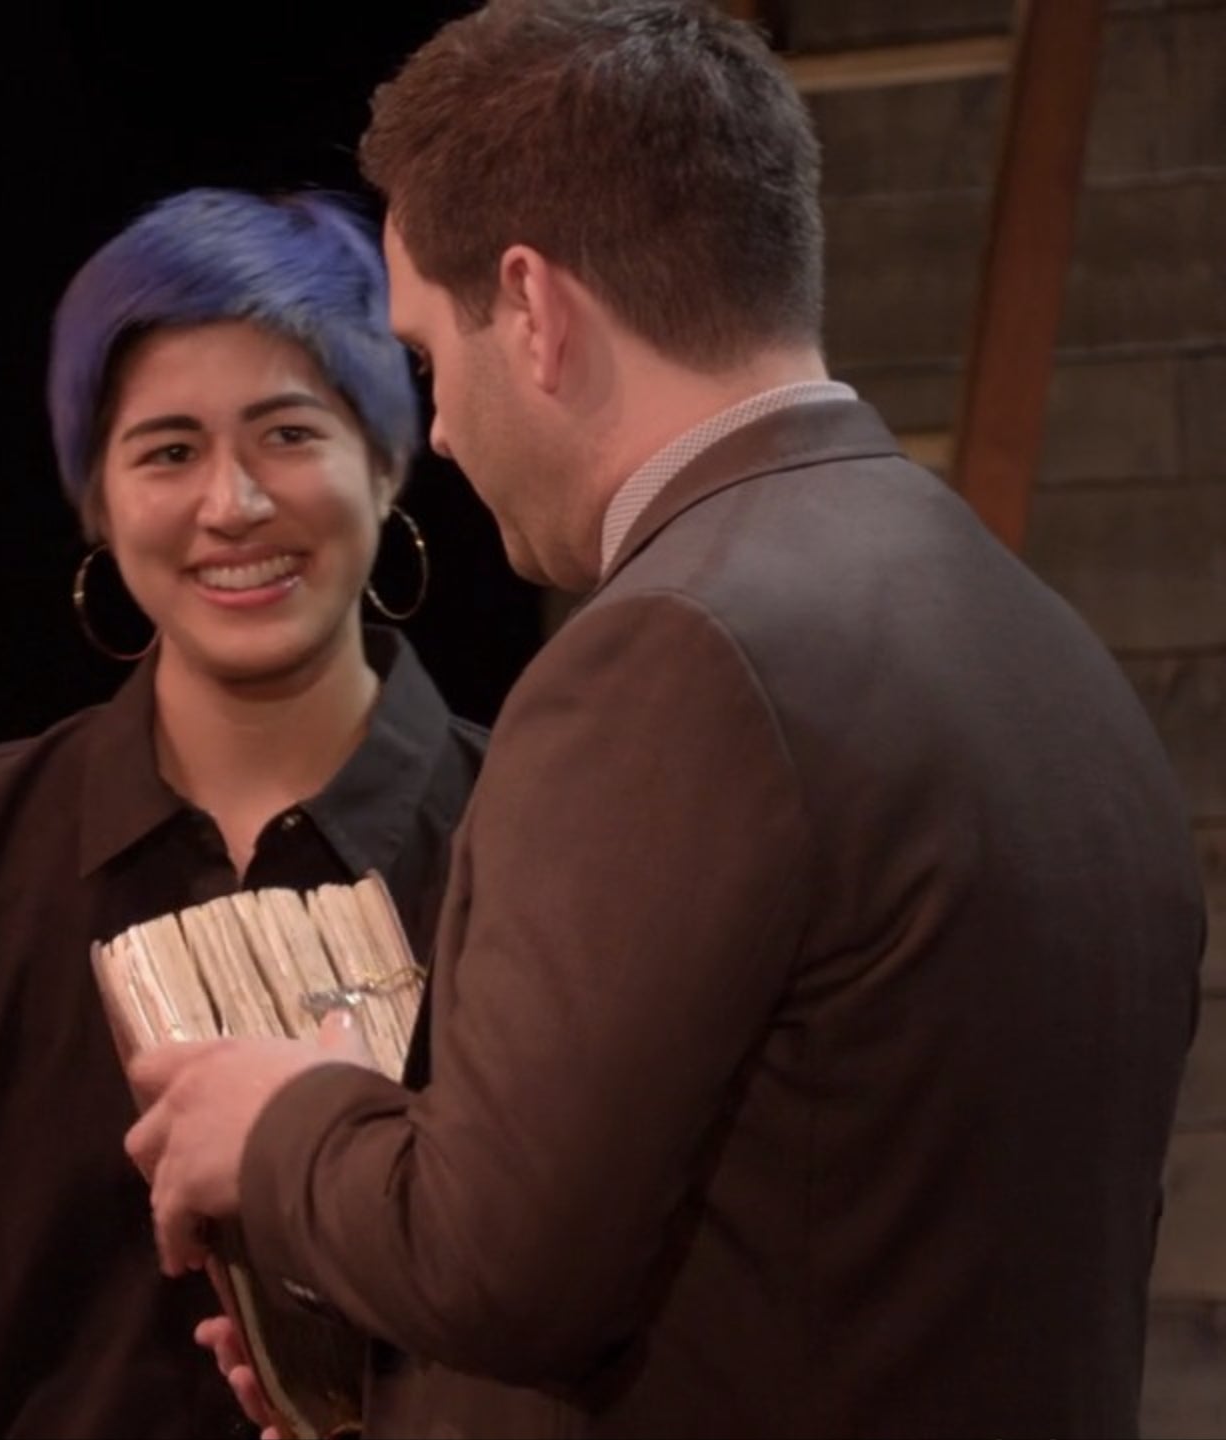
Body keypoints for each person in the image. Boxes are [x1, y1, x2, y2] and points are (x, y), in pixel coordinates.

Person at [124, 4, 1209, 1437]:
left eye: (434, 362)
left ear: (535, 307)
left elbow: (494, 1259)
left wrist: (273, 1124)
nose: (438, 433)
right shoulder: (1029, 629)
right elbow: (804, 1255)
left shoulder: (670, 655)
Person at [0, 185, 488, 1439]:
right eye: (167, 452)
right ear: (95, 506)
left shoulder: (535, 828)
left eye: (290, 434)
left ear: (387, 462)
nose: (233, 505)